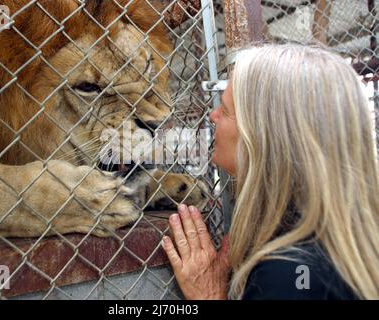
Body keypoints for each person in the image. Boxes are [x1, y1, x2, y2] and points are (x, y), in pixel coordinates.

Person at [161, 44, 379, 300]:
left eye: (226, 110)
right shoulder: (343, 240)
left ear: (265, 136)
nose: (212, 115)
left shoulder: (287, 275)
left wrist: (208, 297)